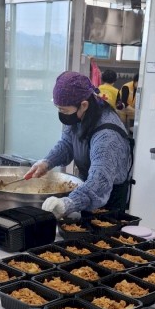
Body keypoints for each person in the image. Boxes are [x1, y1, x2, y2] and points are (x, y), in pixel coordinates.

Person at [24, 71, 132, 219]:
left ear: (84, 105)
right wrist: (47, 162)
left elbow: (99, 183)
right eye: (58, 108)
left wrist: (67, 203)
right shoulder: (80, 116)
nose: (61, 113)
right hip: (86, 191)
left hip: (108, 200)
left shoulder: (107, 136)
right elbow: (67, 144)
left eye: (64, 110)